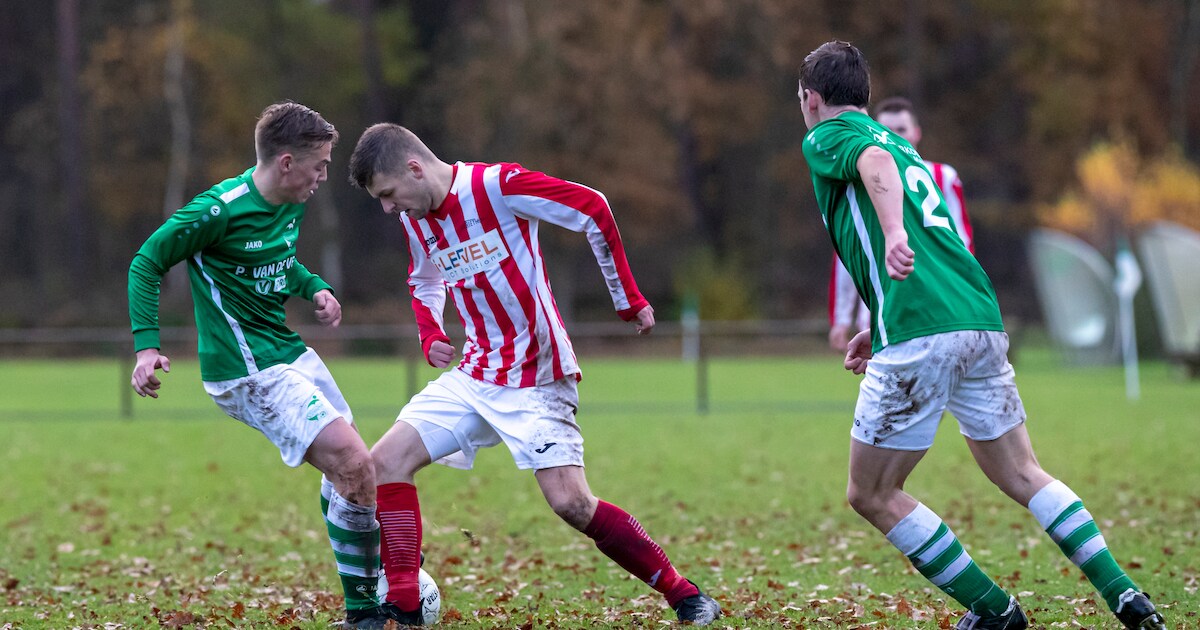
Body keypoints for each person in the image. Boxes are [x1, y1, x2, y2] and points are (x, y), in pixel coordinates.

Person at [797, 41, 1166, 630]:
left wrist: (894, 236)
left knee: (871, 493)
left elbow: (875, 170)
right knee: (1023, 471)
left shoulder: (833, 136)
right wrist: (879, 319)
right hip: (976, 319)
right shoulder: (906, 146)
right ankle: (1125, 595)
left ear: (811, 98)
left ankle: (995, 611)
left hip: (922, 330)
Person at [346, 123, 722, 626]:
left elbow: (593, 207)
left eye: (389, 195)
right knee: (385, 461)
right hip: (475, 373)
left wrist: (626, 297)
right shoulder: (417, 220)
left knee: (571, 502)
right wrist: (430, 332)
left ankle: (684, 594)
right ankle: (404, 608)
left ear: (415, 168)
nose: (389, 209)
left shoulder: (497, 187)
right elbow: (424, 277)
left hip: (538, 377)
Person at [128, 102, 394, 629]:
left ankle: (374, 580)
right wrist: (145, 346)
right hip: (246, 370)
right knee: (354, 464)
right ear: (288, 162)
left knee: (359, 471)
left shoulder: (291, 201)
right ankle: (366, 610)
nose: (324, 177)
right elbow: (147, 260)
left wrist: (313, 286)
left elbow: (276, 259)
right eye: (319, 165)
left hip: (290, 352)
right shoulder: (218, 210)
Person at [828, 96, 975, 352]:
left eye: (901, 130)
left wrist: (965, 296)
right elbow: (849, 252)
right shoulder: (861, 184)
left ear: (916, 133)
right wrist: (841, 318)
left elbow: (962, 243)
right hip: (881, 306)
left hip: (937, 303)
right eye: (886, 130)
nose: (894, 136)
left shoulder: (942, 176)